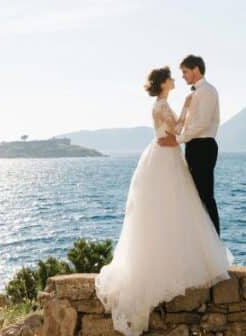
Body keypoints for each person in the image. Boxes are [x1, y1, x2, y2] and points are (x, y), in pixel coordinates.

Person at [95, 65, 231, 336]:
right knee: (172, 207)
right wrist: (187, 107)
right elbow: (176, 131)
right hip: (165, 157)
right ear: (163, 83)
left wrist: (185, 112)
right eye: (170, 78)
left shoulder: (161, 104)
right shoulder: (162, 106)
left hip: (164, 156)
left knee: (173, 209)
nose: (174, 80)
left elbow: (174, 133)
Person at [157, 54, 221, 234]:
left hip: (203, 147)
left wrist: (176, 140)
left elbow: (202, 124)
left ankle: (214, 243)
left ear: (196, 70)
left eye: (185, 72)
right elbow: (187, 124)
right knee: (196, 197)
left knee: (206, 197)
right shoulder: (193, 94)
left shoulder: (208, 91)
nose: (183, 76)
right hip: (193, 147)